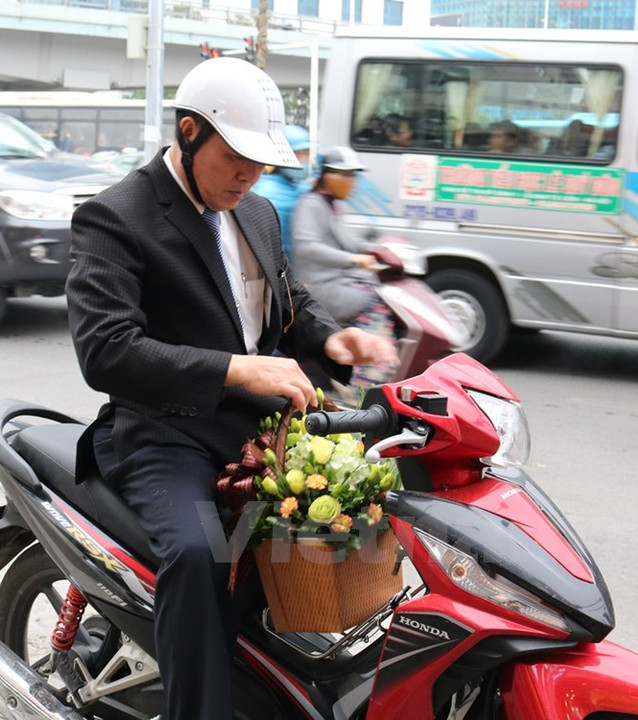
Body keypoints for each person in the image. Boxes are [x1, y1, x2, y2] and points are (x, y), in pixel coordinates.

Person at [64, 57, 396, 720]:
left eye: (260, 164)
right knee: (200, 554)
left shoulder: (259, 213)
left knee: (346, 528)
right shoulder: (116, 217)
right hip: (166, 435)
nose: (248, 176)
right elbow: (107, 350)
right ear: (189, 132)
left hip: (258, 435)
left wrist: (333, 341)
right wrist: (236, 369)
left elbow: (287, 300)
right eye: (235, 158)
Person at [291, 146, 397, 390]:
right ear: (327, 176)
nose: (352, 182)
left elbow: (348, 240)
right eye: (346, 175)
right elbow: (307, 246)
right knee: (373, 302)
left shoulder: (332, 205)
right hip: (319, 285)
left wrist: (376, 248)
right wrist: (353, 259)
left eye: (353, 175)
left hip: (338, 280)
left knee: (381, 294)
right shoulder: (311, 204)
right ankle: (365, 380)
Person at [251, 123, 311, 260]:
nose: (305, 160)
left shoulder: (299, 186)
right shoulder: (268, 192)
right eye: (299, 154)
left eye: (306, 154)